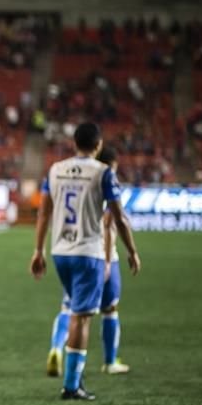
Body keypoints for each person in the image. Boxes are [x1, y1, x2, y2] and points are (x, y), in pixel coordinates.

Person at [31, 122, 140, 401]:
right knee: (82, 318)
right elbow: (117, 216)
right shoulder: (103, 173)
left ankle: (64, 363)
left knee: (71, 308)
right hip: (88, 253)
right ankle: (71, 385)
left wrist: (38, 251)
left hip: (60, 252)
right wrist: (131, 250)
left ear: (74, 143)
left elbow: (43, 213)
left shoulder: (55, 170)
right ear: (99, 145)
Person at [45, 146, 130, 377]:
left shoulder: (76, 179)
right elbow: (111, 223)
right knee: (108, 310)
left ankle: (55, 347)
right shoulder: (105, 180)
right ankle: (109, 362)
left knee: (68, 307)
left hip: (70, 250)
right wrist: (117, 257)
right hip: (101, 256)